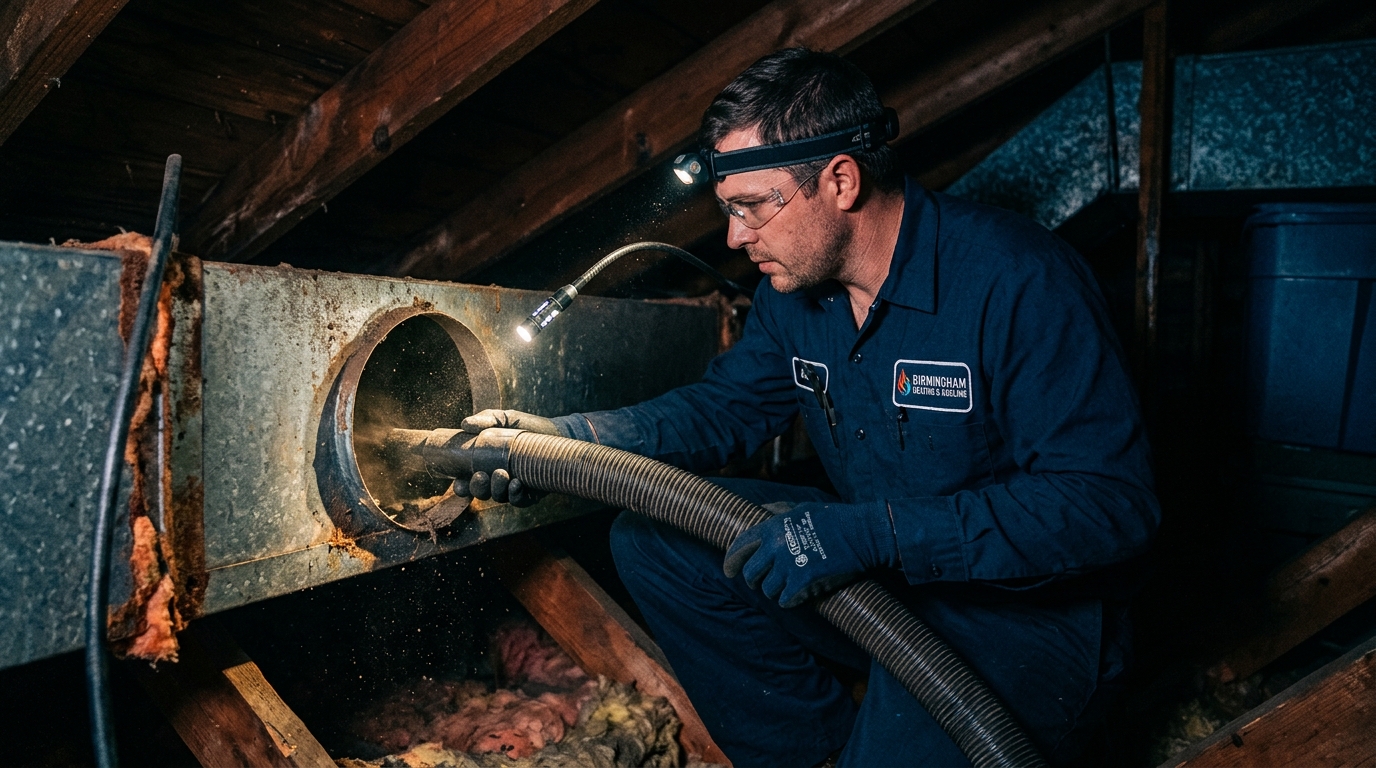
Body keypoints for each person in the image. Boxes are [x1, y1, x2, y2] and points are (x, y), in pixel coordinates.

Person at [462, 48, 1159, 767]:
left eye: (751, 207)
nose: (734, 237)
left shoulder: (1019, 281)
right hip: (884, 584)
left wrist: (876, 534)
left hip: (1028, 622)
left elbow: (1110, 506)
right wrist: (566, 443)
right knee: (656, 540)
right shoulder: (793, 295)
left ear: (841, 180)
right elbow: (724, 410)